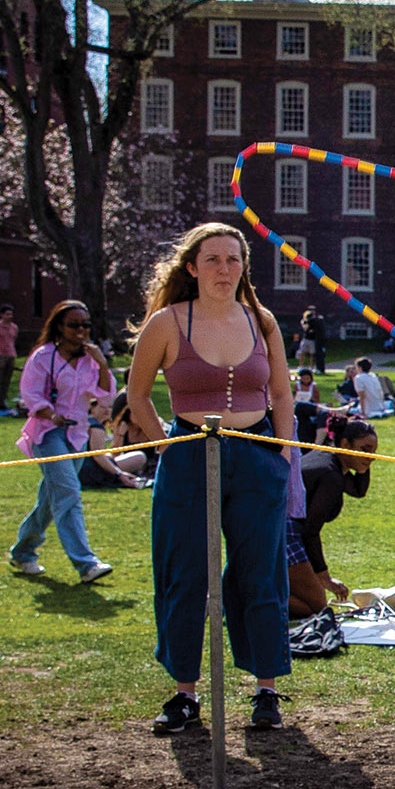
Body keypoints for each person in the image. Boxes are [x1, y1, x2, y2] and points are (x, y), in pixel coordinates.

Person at [126, 223, 299, 733]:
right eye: (213, 260)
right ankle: (184, 692)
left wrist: (283, 456)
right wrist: (166, 447)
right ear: (191, 268)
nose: (224, 269)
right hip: (188, 458)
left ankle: (266, 690)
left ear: (244, 267)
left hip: (256, 457)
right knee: (187, 574)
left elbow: (282, 395)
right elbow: (137, 396)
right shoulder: (167, 322)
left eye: (233, 260)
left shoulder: (261, 321)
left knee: (260, 574)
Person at [10, 300, 119, 580]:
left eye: (85, 325)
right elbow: (31, 394)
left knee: (51, 498)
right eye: (74, 324)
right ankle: (86, 564)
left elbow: (106, 396)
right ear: (59, 326)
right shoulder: (43, 356)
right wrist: (50, 413)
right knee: (69, 492)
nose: (80, 330)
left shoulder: (90, 360)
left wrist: (103, 364)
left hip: (77, 434)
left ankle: (23, 552)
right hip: (47, 433)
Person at [291, 412, 378, 616]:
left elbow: (358, 490)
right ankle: (243, 600)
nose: (371, 457)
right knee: (316, 609)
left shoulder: (329, 457)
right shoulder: (330, 474)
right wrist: (324, 577)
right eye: (365, 450)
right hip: (284, 534)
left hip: (286, 531)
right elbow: (310, 531)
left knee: (313, 603)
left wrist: (365, 462)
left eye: (374, 452)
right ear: (346, 444)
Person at [77, 394, 150, 490]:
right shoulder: (95, 426)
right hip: (90, 469)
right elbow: (97, 455)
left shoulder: (85, 422)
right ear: (92, 407)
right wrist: (118, 473)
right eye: (103, 407)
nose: (107, 411)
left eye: (110, 407)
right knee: (139, 457)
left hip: (82, 465)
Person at [0, 302, 18, 411]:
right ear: (2, 315)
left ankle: (2, 402)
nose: (10, 316)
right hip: (0, 354)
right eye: (7, 314)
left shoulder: (14, 327)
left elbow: (14, 339)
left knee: (7, 380)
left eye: (11, 314)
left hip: (11, 354)